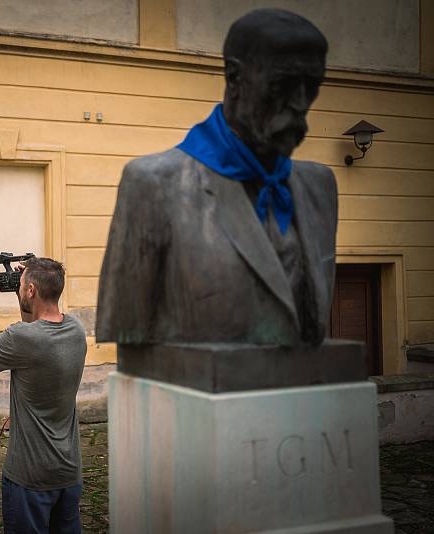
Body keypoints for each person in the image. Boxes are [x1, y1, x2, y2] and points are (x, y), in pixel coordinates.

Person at [97, 8, 336, 348]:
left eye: (311, 86)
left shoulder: (320, 187)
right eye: (283, 84)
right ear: (235, 78)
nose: (300, 103)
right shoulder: (152, 183)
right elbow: (130, 334)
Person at [0, 258, 87, 534]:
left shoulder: (22, 337)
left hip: (29, 476)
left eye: (22, 286)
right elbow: (34, 330)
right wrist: (23, 293)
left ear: (32, 291)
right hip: (68, 471)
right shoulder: (76, 330)